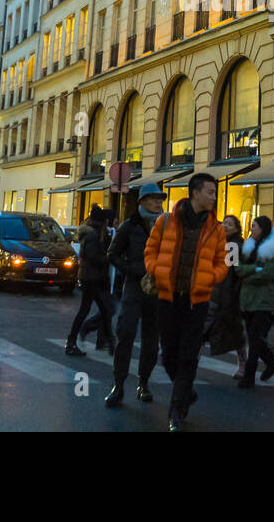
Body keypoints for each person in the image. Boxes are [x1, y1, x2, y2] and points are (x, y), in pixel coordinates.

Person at [144, 172, 230, 431]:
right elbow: (150, 250)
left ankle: (176, 408)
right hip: (168, 298)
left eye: (215, 193)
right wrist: (157, 270)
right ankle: (185, 392)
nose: (214, 197)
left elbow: (223, 261)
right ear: (195, 193)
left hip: (197, 301)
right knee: (168, 354)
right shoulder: (166, 221)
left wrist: (209, 279)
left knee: (188, 355)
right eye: (210, 192)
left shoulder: (216, 229)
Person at [105, 187, 164, 406]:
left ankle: (144, 383)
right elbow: (112, 254)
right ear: (142, 201)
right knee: (126, 333)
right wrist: (130, 268)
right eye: (153, 199)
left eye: (160, 199)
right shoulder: (129, 226)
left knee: (152, 340)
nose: (157, 203)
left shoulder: (167, 226)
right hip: (134, 286)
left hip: (158, 288)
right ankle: (118, 385)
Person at [237, 215, 274, 388]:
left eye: (254, 226)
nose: (251, 229)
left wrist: (247, 276)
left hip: (263, 299)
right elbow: (237, 269)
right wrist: (253, 269)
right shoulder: (244, 246)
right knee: (252, 336)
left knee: (255, 337)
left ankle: (249, 374)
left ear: (263, 228)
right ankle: (272, 362)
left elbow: (267, 273)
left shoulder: (272, 249)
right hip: (247, 298)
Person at [65, 205, 115, 356]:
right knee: (98, 310)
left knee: (105, 309)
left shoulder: (95, 235)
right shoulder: (93, 236)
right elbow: (92, 256)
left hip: (93, 278)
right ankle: (73, 341)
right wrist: (108, 259)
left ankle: (106, 341)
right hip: (92, 279)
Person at [206, 215, 247, 376]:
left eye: (230, 224)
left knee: (234, 332)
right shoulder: (221, 242)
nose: (226, 226)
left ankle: (243, 366)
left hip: (225, 294)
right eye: (224, 222)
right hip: (218, 292)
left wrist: (227, 296)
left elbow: (231, 272)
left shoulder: (232, 246)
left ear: (237, 228)